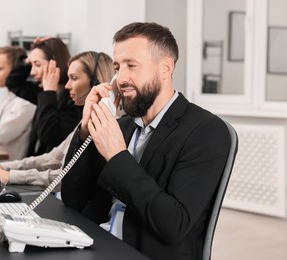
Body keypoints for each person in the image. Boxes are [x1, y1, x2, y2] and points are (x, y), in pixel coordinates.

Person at [60, 22, 231, 259]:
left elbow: (173, 224)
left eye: (132, 66)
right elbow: (73, 199)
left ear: (165, 68)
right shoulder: (122, 126)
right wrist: (86, 131)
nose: (121, 79)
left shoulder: (207, 131)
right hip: (97, 240)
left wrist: (118, 155)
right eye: (118, 68)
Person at [0, 51, 115, 189]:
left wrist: (10, 175)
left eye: (74, 78)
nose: (68, 85)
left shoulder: (106, 126)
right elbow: (51, 158)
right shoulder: (84, 122)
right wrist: (2, 167)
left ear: (95, 83)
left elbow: (65, 175)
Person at [25, 37, 82, 157]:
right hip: (33, 166)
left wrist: (49, 92)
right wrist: (29, 57)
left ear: (54, 64)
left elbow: (49, 136)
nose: (32, 72)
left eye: (37, 64)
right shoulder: (43, 92)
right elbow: (13, 81)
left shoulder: (72, 98)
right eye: (31, 65)